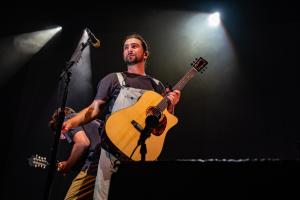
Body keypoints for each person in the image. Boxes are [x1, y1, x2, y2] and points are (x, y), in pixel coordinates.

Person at [61, 34, 181, 200]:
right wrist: (71, 122)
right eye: (126, 47)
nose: (129, 49)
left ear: (145, 54)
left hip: (140, 156)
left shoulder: (157, 85)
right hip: (111, 152)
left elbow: (162, 125)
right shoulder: (113, 79)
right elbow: (94, 109)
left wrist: (172, 104)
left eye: (134, 46)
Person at [49, 107, 103, 200]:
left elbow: (82, 143)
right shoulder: (89, 120)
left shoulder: (68, 120)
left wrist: (68, 165)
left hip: (94, 165)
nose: (62, 137)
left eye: (58, 133)